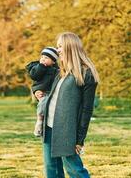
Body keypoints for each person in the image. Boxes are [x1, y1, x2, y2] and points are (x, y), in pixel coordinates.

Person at [35, 32, 100, 178]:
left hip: (67, 132)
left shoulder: (86, 74)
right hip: (49, 127)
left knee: (75, 171)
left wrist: (79, 139)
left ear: (70, 47)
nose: (57, 50)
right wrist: (37, 91)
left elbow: (86, 110)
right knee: (52, 170)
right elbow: (39, 81)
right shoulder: (61, 72)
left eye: (60, 46)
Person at [26, 47, 59, 137]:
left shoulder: (56, 70)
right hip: (42, 91)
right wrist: (41, 66)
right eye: (42, 57)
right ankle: (39, 121)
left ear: (53, 61)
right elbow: (34, 76)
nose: (43, 59)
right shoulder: (37, 67)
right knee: (43, 103)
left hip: (52, 92)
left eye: (46, 58)